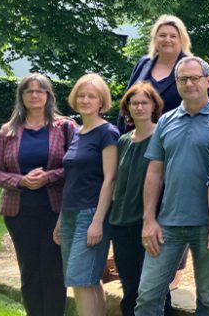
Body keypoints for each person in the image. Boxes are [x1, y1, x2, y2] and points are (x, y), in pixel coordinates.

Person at [135, 56, 209, 316]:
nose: (189, 83)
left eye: (195, 78)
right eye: (183, 79)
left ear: (207, 81)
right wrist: (148, 219)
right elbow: (154, 172)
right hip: (167, 225)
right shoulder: (165, 121)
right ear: (176, 83)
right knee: (147, 297)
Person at [0, 74, 72, 316]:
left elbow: (76, 167)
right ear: (21, 97)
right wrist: (21, 181)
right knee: (29, 271)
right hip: (19, 213)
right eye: (28, 91)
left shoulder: (65, 127)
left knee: (54, 271)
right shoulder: (8, 131)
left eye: (40, 90)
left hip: (54, 210)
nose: (34, 95)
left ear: (48, 95)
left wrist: (49, 176)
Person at [56, 74, 120, 316]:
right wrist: (61, 218)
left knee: (80, 280)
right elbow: (71, 180)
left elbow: (110, 179)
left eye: (91, 96)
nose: (85, 100)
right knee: (88, 281)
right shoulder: (76, 132)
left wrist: (97, 222)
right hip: (71, 213)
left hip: (91, 213)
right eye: (81, 95)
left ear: (101, 101)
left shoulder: (107, 132)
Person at [110, 83, 173, 316]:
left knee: (154, 290)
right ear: (127, 107)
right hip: (121, 224)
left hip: (149, 224)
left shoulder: (163, 136)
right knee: (129, 289)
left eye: (144, 102)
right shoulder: (124, 141)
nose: (139, 107)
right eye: (134, 103)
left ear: (154, 105)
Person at [118, 14, 209, 133]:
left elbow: (208, 107)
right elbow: (126, 103)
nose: (167, 40)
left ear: (182, 39)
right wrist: (120, 137)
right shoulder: (143, 64)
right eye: (162, 35)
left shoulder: (193, 67)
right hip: (138, 139)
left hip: (177, 139)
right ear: (155, 39)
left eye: (173, 36)